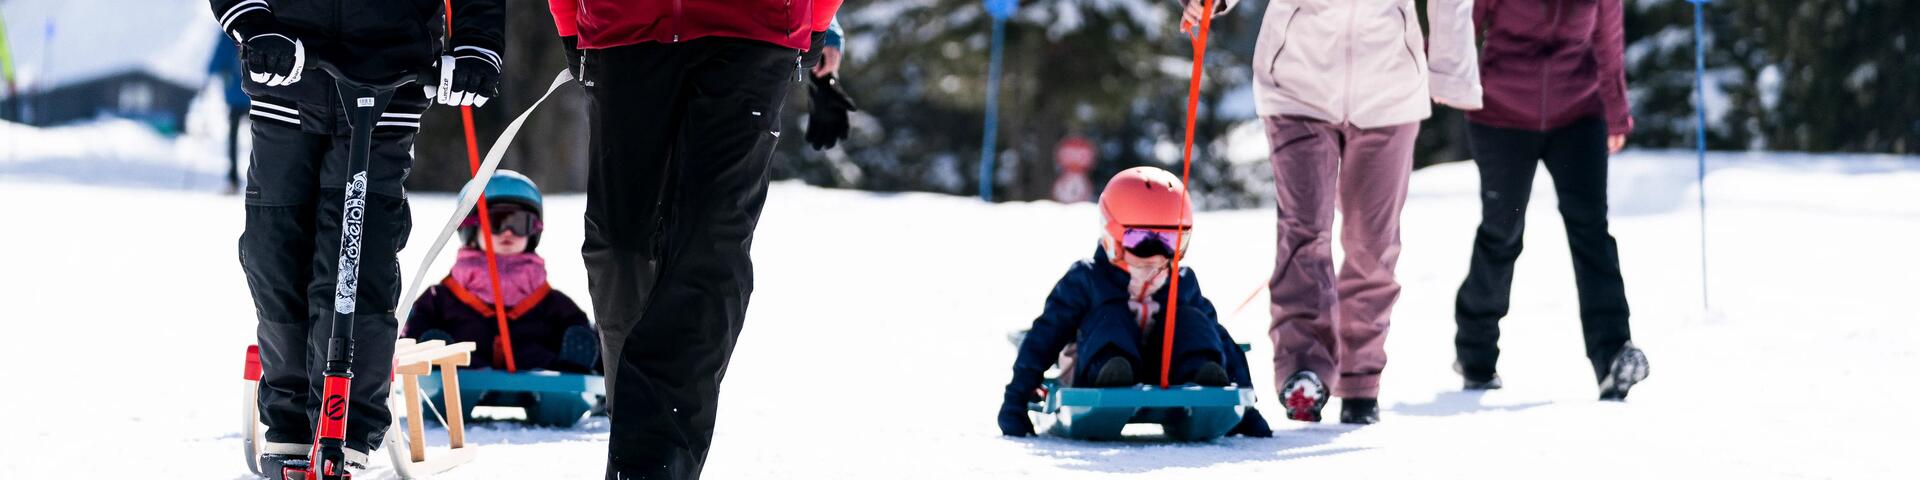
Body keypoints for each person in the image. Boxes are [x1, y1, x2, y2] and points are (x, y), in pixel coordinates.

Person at [544, 0, 848, 477]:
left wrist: (815, 21)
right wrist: (570, 21)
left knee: (709, 244)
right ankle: (637, 424)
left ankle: (653, 460)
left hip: (753, 30)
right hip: (623, 27)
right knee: (620, 247)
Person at [212, 0, 501, 470]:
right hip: (287, 75)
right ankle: (290, 421)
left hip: (390, 80)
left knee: (356, 256)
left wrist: (478, 48)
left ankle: (345, 424)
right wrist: (254, 24)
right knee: (273, 254)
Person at [1184, 0, 1483, 425]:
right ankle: (1302, 368)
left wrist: (1451, 69)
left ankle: (1361, 376)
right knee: (1303, 232)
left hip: (1390, 87)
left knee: (1372, 243)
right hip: (1295, 83)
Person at [1453, 0, 1649, 400]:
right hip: (1501, 115)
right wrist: (1439, 79)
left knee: (1591, 231)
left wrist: (1614, 112)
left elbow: (1608, 40)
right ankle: (1476, 355)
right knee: (1502, 232)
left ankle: (1612, 355)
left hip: (1578, 114)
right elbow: (1458, 27)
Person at [999, 166, 1272, 439]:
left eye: (1169, 241)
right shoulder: (1087, 279)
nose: (1155, 254)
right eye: (1140, 240)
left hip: (1166, 373)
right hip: (1095, 371)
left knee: (1193, 321)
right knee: (1110, 317)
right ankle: (1112, 369)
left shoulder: (1182, 282)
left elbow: (1221, 338)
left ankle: (1201, 374)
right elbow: (1046, 336)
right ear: (1111, 235)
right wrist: (1017, 399)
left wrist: (1247, 409)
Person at [402, 171, 598, 375]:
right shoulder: (442, 297)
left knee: (550, 351)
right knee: (451, 349)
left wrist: (581, 340)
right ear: (471, 226)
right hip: (464, 368)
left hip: (538, 372)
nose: (508, 232)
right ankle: (439, 364)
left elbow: (574, 320)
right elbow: (415, 323)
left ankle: (567, 379)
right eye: (496, 222)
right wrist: (422, 338)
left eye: (519, 224)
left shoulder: (548, 300)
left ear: (534, 230)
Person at [205, 35, 248, 194]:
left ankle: (233, 181)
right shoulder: (258, 26)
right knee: (261, 138)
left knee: (233, 141)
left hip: (235, 97)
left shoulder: (227, 34)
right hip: (257, 96)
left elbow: (214, 65)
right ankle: (263, 180)